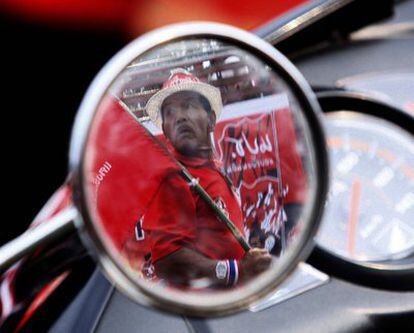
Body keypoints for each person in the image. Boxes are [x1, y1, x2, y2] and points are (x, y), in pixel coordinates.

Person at [142, 68, 271, 288]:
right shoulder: (173, 179)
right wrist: (234, 271)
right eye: (170, 113)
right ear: (165, 129)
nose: (180, 116)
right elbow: (167, 261)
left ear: (211, 119)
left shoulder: (211, 167)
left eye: (189, 106)